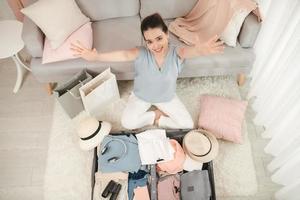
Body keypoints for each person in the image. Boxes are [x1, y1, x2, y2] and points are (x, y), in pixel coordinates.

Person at [71, 13, 224, 130]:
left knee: (188, 124)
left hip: (166, 98)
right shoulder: (141, 53)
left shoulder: (177, 53)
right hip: (141, 97)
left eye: (159, 38)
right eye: (149, 41)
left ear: (167, 34)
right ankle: (154, 116)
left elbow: (190, 51)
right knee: (127, 122)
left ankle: (159, 120)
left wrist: (202, 50)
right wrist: (96, 56)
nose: (155, 45)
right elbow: (123, 54)